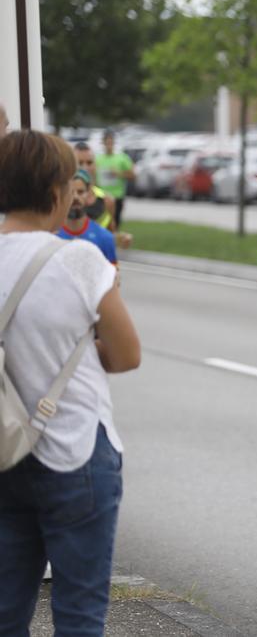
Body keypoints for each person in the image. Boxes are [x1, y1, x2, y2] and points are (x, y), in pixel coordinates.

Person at [0, 130, 141, 636]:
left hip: (4, 452)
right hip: (77, 451)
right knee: (79, 613)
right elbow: (126, 355)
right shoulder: (80, 259)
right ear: (60, 192)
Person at [58, 170, 118, 265]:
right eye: (71, 192)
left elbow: (113, 277)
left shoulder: (105, 238)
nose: (75, 197)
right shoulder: (50, 235)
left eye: (80, 192)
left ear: (89, 194)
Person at [93, 131, 134, 230]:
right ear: (103, 143)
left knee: (114, 224)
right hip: (101, 197)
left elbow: (132, 175)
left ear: (114, 143)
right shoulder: (97, 159)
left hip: (117, 196)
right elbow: (93, 176)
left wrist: (118, 174)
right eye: (107, 142)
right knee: (102, 224)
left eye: (111, 142)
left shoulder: (122, 158)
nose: (109, 145)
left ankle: (113, 242)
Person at [73, 143, 116, 233]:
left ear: (95, 165)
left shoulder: (107, 200)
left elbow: (110, 236)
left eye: (89, 163)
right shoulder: (62, 200)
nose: (85, 168)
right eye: (80, 163)